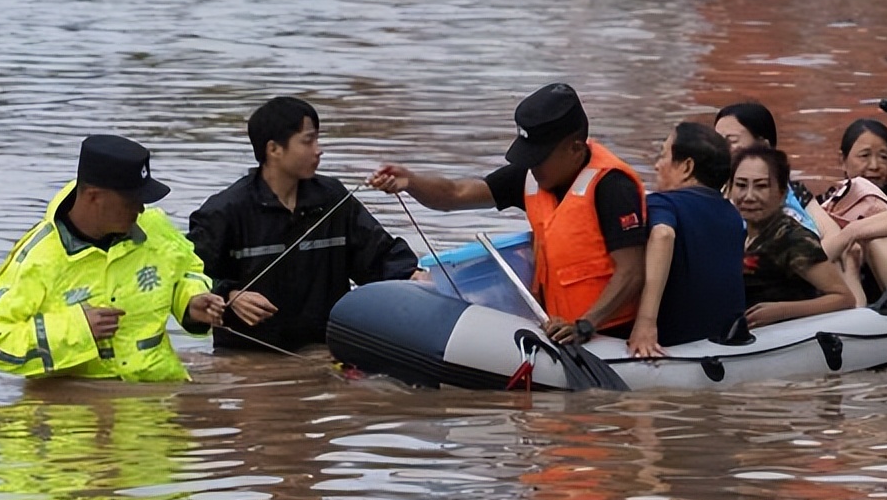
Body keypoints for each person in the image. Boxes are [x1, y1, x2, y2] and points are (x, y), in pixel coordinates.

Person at [369, 83, 646, 345]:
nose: (532, 167)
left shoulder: (612, 187)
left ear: (575, 149)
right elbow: (455, 194)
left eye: (538, 158)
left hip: (606, 334)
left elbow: (632, 272)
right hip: (558, 327)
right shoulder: (531, 176)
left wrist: (586, 325)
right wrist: (411, 181)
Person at [0, 135, 225, 382]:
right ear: (93, 196)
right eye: (131, 200)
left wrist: (190, 301)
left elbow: (187, 270)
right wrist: (78, 328)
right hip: (74, 403)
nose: (140, 209)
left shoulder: (154, 226)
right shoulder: (39, 258)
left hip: (159, 390)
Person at [188, 97, 420, 353]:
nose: (318, 150)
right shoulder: (224, 211)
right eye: (308, 141)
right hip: (247, 355)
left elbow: (378, 257)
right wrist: (230, 295)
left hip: (325, 350)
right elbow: (189, 278)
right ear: (274, 149)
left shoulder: (332, 198)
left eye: (317, 140)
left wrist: (415, 276)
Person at [627, 123, 746, 357]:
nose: (657, 165)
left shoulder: (663, 203)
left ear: (687, 167)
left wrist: (645, 322)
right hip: (720, 340)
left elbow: (663, 234)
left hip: (671, 341)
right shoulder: (732, 215)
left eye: (663, 155)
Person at [729, 145, 855, 327]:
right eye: (741, 185)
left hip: (787, 335)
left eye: (761, 186)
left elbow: (843, 298)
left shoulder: (792, 238)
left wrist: (782, 311)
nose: (748, 196)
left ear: (782, 193)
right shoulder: (737, 235)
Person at [819, 118, 887, 300]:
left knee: (879, 238)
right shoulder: (826, 204)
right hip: (852, 287)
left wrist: (854, 231)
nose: (875, 166)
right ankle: (855, 312)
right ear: (842, 160)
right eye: (864, 156)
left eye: (884, 157)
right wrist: (847, 239)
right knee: (847, 251)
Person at [713, 101, 838, 240]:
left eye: (731, 141)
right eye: (715, 141)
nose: (719, 148)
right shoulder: (710, 192)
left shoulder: (792, 190)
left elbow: (832, 234)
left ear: (764, 146)